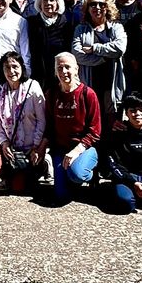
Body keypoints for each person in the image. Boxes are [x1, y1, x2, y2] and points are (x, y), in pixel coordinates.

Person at [37, 53, 102, 204]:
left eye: (67, 67)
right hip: (60, 149)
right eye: (59, 68)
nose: (64, 72)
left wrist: (75, 152)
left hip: (84, 147)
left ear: (76, 69)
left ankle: (90, 174)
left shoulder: (88, 94)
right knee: (61, 196)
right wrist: (41, 148)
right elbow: (50, 127)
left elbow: (95, 131)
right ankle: (70, 177)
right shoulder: (52, 94)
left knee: (77, 174)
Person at [0, 51, 46, 193]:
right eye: (7, 68)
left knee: (19, 189)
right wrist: (4, 143)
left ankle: (39, 167)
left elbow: (42, 120)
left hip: (31, 144)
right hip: (8, 142)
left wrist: (36, 146)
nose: (11, 71)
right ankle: (9, 176)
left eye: (15, 66)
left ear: (22, 67)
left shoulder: (33, 87)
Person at [71, 0, 127, 128]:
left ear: (107, 7)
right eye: (93, 4)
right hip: (89, 82)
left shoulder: (116, 27)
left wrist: (94, 49)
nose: (97, 7)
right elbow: (78, 55)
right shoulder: (80, 29)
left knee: (111, 123)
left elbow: (119, 49)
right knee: (91, 121)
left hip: (111, 84)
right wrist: (104, 58)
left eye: (101, 4)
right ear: (87, 8)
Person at [27, 0, 73, 89]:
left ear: (58, 3)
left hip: (60, 74)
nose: (48, 3)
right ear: (40, 3)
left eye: (52, 0)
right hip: (38, 73)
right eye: (45, 0)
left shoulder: (66, 24)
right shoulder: (31, 22)